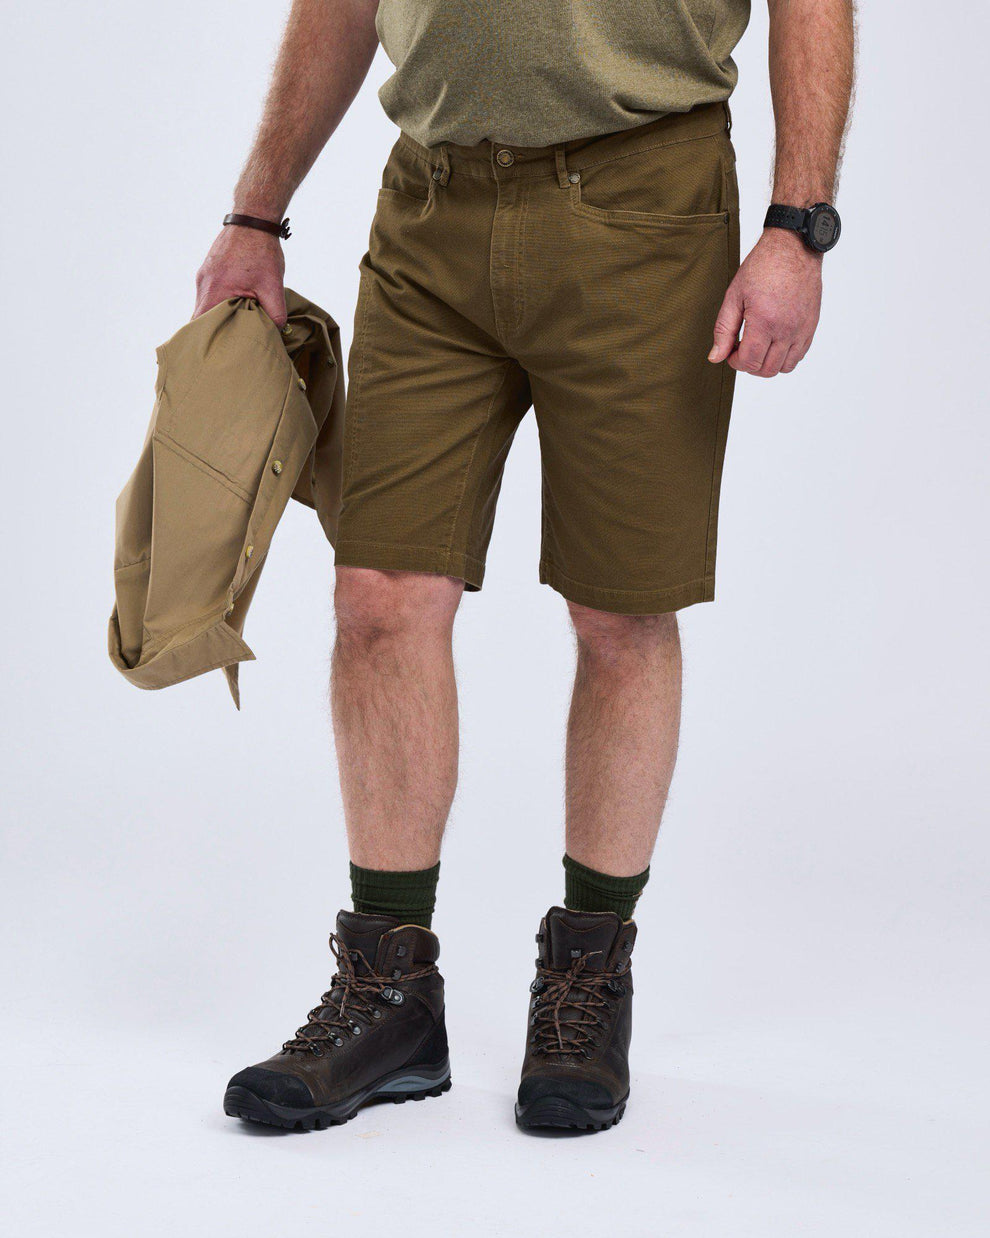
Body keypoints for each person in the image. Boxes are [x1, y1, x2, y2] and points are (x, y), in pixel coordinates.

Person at [198, 0, 855, 1133]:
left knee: (621, 610)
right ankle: (389, 991)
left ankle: (588, 979)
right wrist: (256, 209)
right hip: (430, 208)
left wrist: (798, 227)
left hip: (647, 205)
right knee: (377, 595)